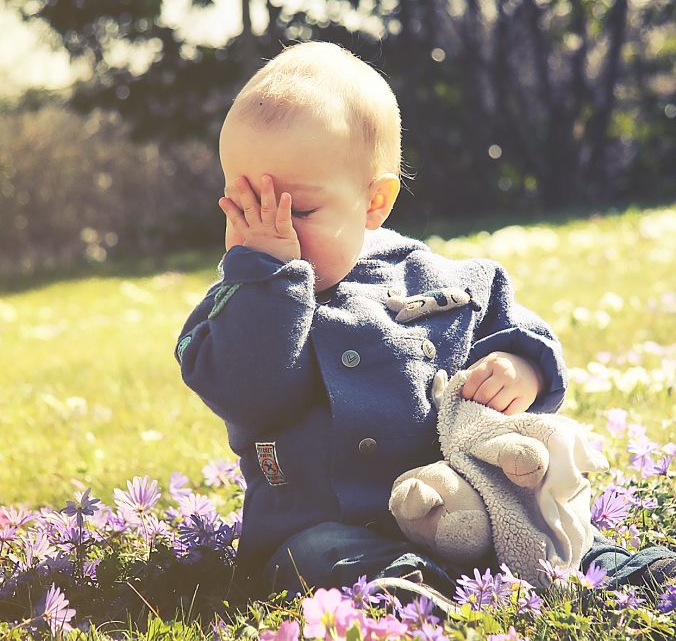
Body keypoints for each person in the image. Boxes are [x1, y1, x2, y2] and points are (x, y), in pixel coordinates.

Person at [175, 41, 675, 603]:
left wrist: (520, 369)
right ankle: (414, 594)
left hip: (474, 506)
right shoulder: (238, 302)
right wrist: (266, 278)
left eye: (300, 210)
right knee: (318, 558)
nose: (274, 230)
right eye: (246, 206)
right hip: (328, 529)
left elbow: (522, 334)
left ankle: (620, 572)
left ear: (374, 203)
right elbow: (249, 393)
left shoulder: (446, 280)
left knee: (554, 533)